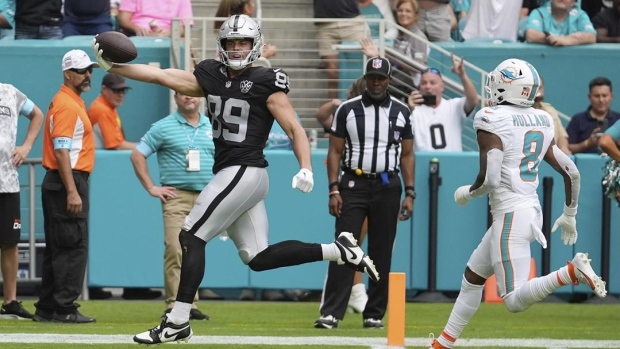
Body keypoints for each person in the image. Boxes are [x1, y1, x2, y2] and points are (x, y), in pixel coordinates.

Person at [92, 14, 379, 344]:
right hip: (235, 173)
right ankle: (338, 250)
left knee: (191, 235)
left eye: (243, 41)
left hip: (245, 170)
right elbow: (160, 76)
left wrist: (306, 166)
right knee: (257, 258)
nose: (238, 47)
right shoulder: (211, 76)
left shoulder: (266, 80)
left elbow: (295, 128)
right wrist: (113, 67)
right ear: (222, 45)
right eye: (232, 42)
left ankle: (178, 320)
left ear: (254, 44)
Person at [428, 58, 607, 349]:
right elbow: (571, 171)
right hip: (528, 210)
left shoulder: (492, 117)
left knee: (513, 300)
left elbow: (490, 178)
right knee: (472, 276)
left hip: (510, 214)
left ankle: (570, 272)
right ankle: (442, 344)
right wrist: (569, 213)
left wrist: (467, 193)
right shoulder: (543, 117)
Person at [315, 56, 414, 329]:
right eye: (372, 77)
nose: (376, 83)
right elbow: (334, 150)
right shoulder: (348, 109)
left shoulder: (402, 111)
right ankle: (332, 312)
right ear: (365, 79)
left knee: (382, 250)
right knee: (344, 245)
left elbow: (407, 154)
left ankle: (374, 313)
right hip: (353, 183)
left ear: (389, 80)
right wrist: (333, 189)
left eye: (381, 78)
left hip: (387, 183)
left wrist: (410, 192)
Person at [130, 91, 212, 321]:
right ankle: (174, 303)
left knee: (195, 252)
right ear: (175, 98)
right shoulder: (163, 127)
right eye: (183, 93)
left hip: (207, 197)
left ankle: (190, 305)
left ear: (201, 98)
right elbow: (137, 155)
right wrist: (151, 187)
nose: (189, 97)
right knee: (176, 248)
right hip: (177, 196)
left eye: (193, 94)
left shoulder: (214, 126)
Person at [34, 49, 99, 324]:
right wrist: (72, 190)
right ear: (67, 73)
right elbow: (62, 151)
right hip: (67, 180)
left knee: (58, 246)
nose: (88, 75)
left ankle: (48, 307)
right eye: (82, 70)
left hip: (59, 181)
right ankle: (64, 308)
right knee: (72, 246)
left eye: (90, 70)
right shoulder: (67, 104)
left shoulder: (68, 101)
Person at [0, 83, 44, 320]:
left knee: (10, 242)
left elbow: (37, 114)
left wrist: (26, 147)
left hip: (7, 181)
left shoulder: (9, 92)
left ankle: (10, 302)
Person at [407, 54, 479, 151]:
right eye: (424, 83)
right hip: (423, 164)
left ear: (442, 86)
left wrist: (462, 75)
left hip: (452, 163)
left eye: (432, 83)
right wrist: (408, 110)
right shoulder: (414, 112)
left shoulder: (453, 106)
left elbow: (473, 99)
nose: (428, 86)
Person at [313, 0, 371, 99]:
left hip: (352, 22)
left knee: (364, 70)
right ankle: (335, 112)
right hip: (325, 24)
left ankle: (364, 109)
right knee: (332, 72)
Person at [566, 76, 620, 154]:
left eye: (604, 96)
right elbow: (566, 148)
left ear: (611, 96)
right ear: (589, 97)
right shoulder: (577, 120)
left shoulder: (618, 120)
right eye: (597, 96)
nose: (601, 100)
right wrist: (587, 143)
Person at [88, 73, 137, 150]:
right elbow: (117, 146)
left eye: (123, 90)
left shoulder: (108, 106)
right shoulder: (102, 110)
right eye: (116, 90)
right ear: (104, 89)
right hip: (98, 160)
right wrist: (147, 147)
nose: (121, 95)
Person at [524, 0, 596, 46]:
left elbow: (591, 36)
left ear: (573, 2)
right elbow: (530, 35)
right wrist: (553, 39)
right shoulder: (539, 12)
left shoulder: (580, 15)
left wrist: (567, 40)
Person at [533, 76, 570, 155]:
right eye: (533, 88)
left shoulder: (550, 110)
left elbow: (561, 136)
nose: (537, 92)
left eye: (540, 88)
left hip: (550, 160)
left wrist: (564, 148)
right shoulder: (514, 112)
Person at [118, 0, 193, 37]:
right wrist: (136, 29)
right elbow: (123, 20)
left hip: (170, 39)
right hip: (135, 35)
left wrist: (170, 32)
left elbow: (186, 28)